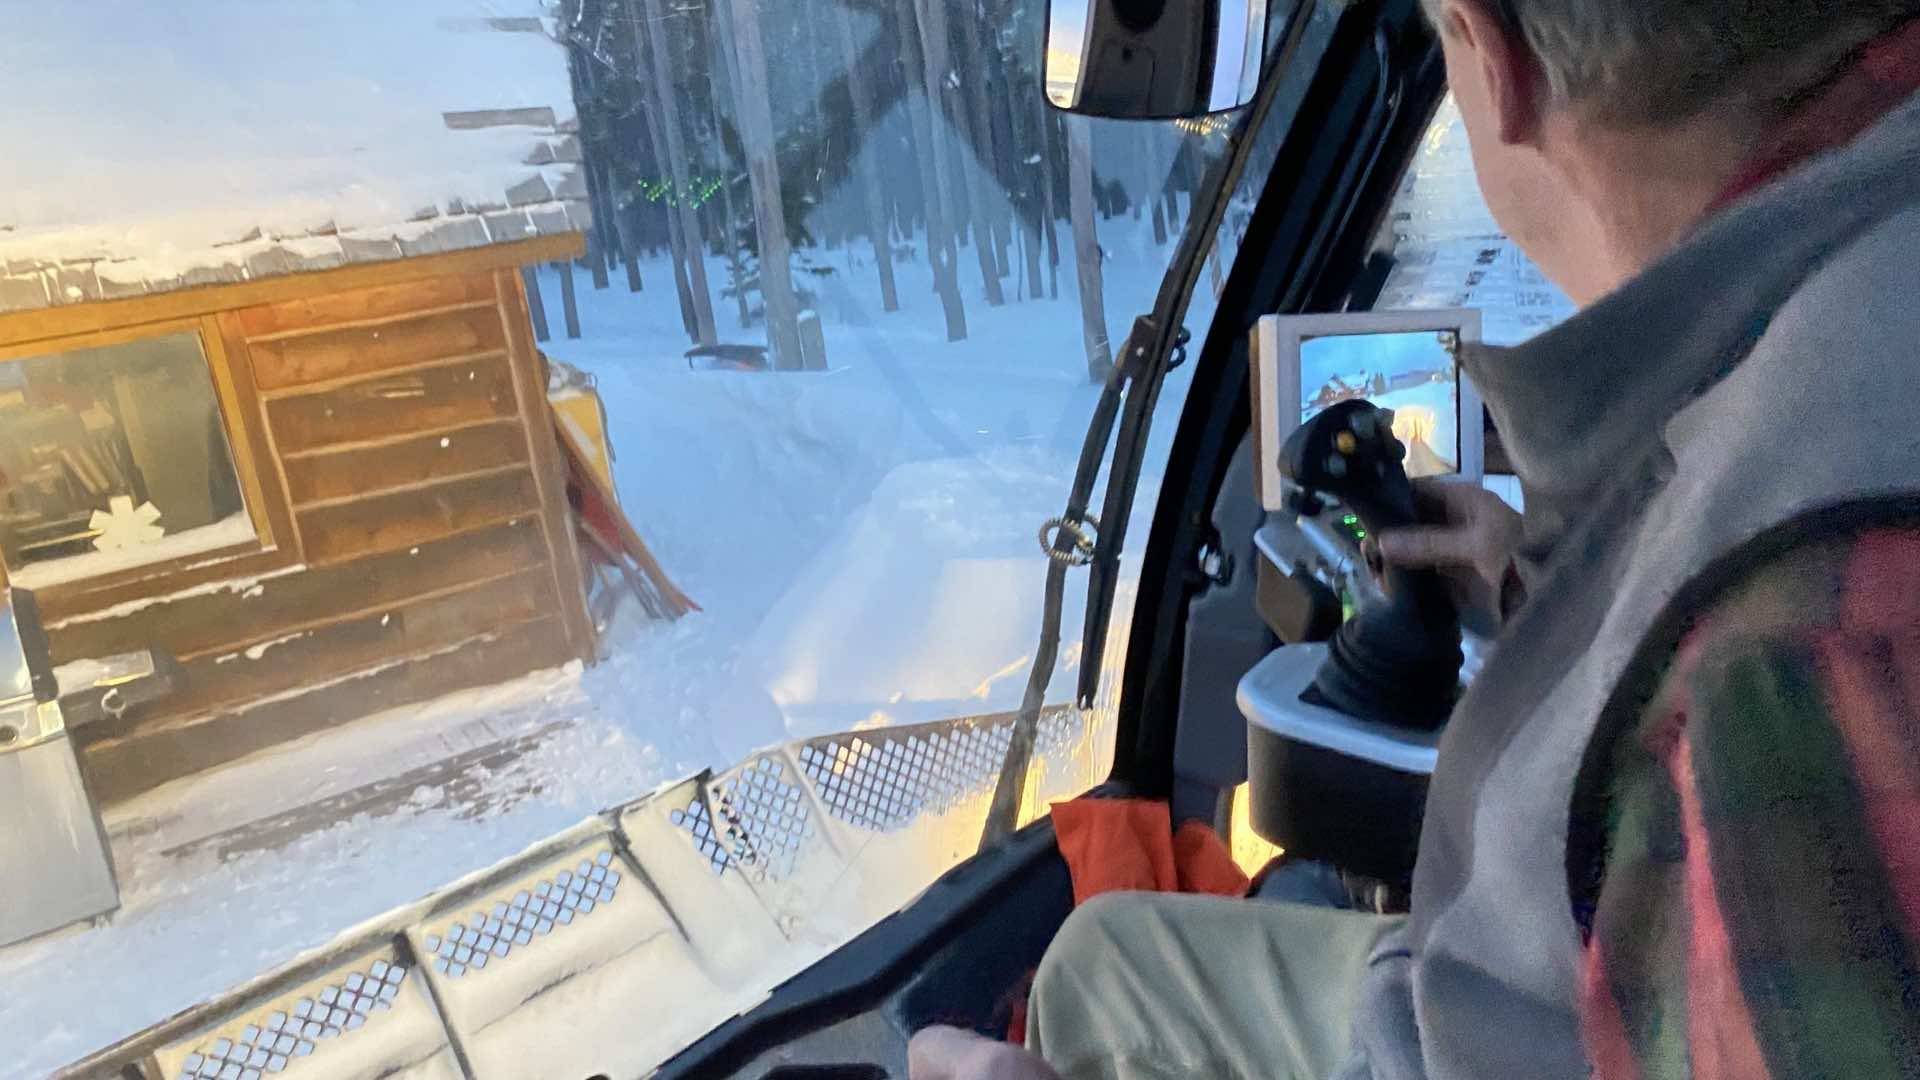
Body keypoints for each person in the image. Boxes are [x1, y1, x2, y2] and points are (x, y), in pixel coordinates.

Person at [911, 0, 1920, 1076]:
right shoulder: (1837, 334)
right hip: (1542, 987)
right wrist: (1552, 584)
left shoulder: (1800, 650)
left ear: (1494, 57)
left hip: (1529, 1024)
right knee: (1104, 958)